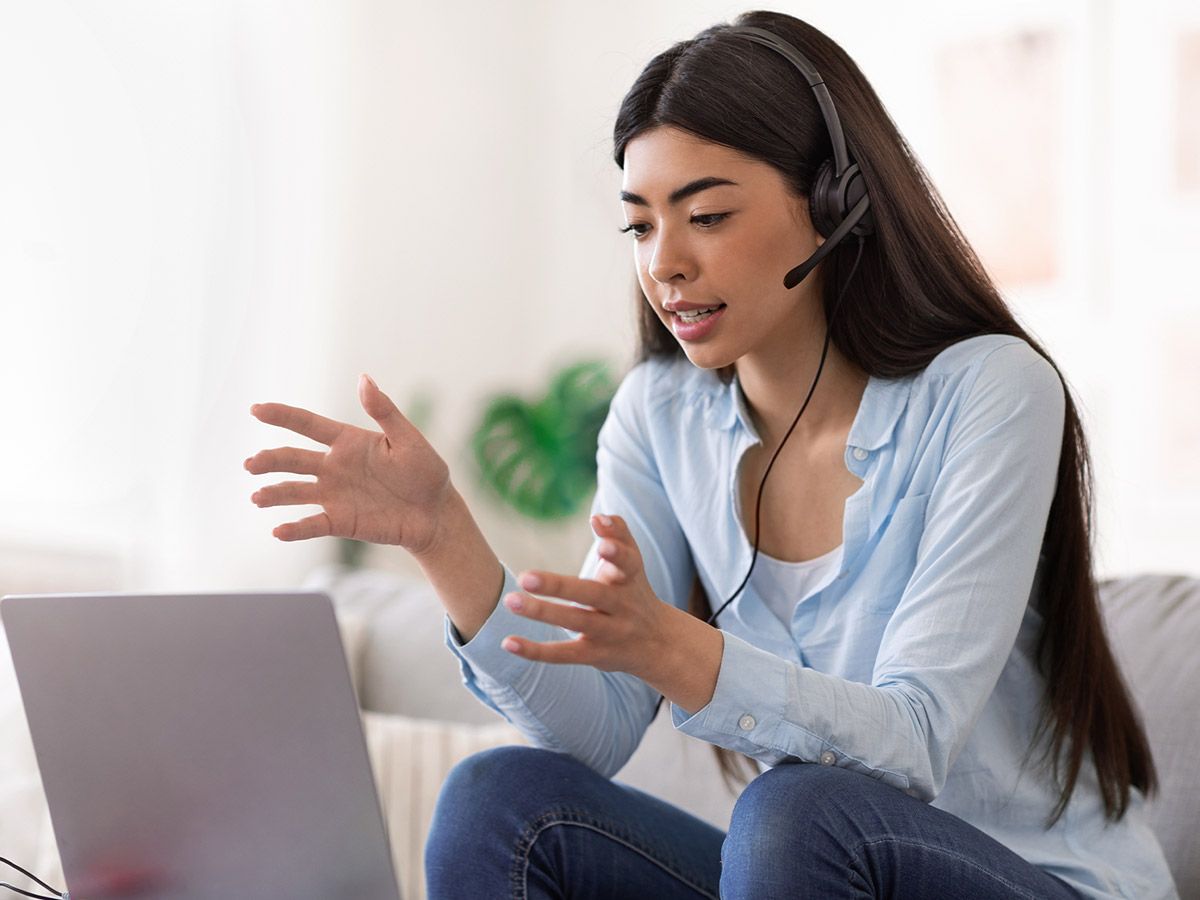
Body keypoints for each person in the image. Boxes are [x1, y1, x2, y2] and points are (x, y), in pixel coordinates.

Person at [245, 10, 1179, 899]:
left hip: (1029, 880)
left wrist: (681, 649)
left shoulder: (989, 390)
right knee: (498, 801)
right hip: (816, 864)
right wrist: (443, 536)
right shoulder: (661, 414)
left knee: (795, 808)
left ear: (832, 205)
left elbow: (914, 741)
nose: (664, 265)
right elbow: (599, 731)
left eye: (707, 215)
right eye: (641, 224)